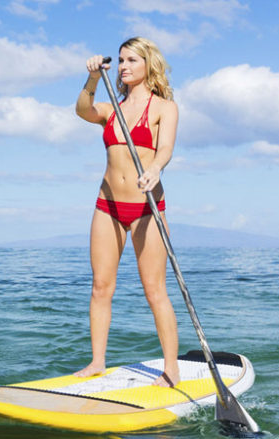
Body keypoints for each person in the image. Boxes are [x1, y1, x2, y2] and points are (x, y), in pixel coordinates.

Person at [73, 37, 181, 387]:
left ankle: (171, 369)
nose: (123, 66)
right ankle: (97, 362)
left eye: (132, 60)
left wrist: (156, 169)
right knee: (101, 287)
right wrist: (91, 77)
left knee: (155, 291)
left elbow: (164, 149)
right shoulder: (110, 108)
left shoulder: (165, 107)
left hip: (147, 207)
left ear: (148, 64)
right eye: (120, 60)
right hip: (108, 205)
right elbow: (82, 110)